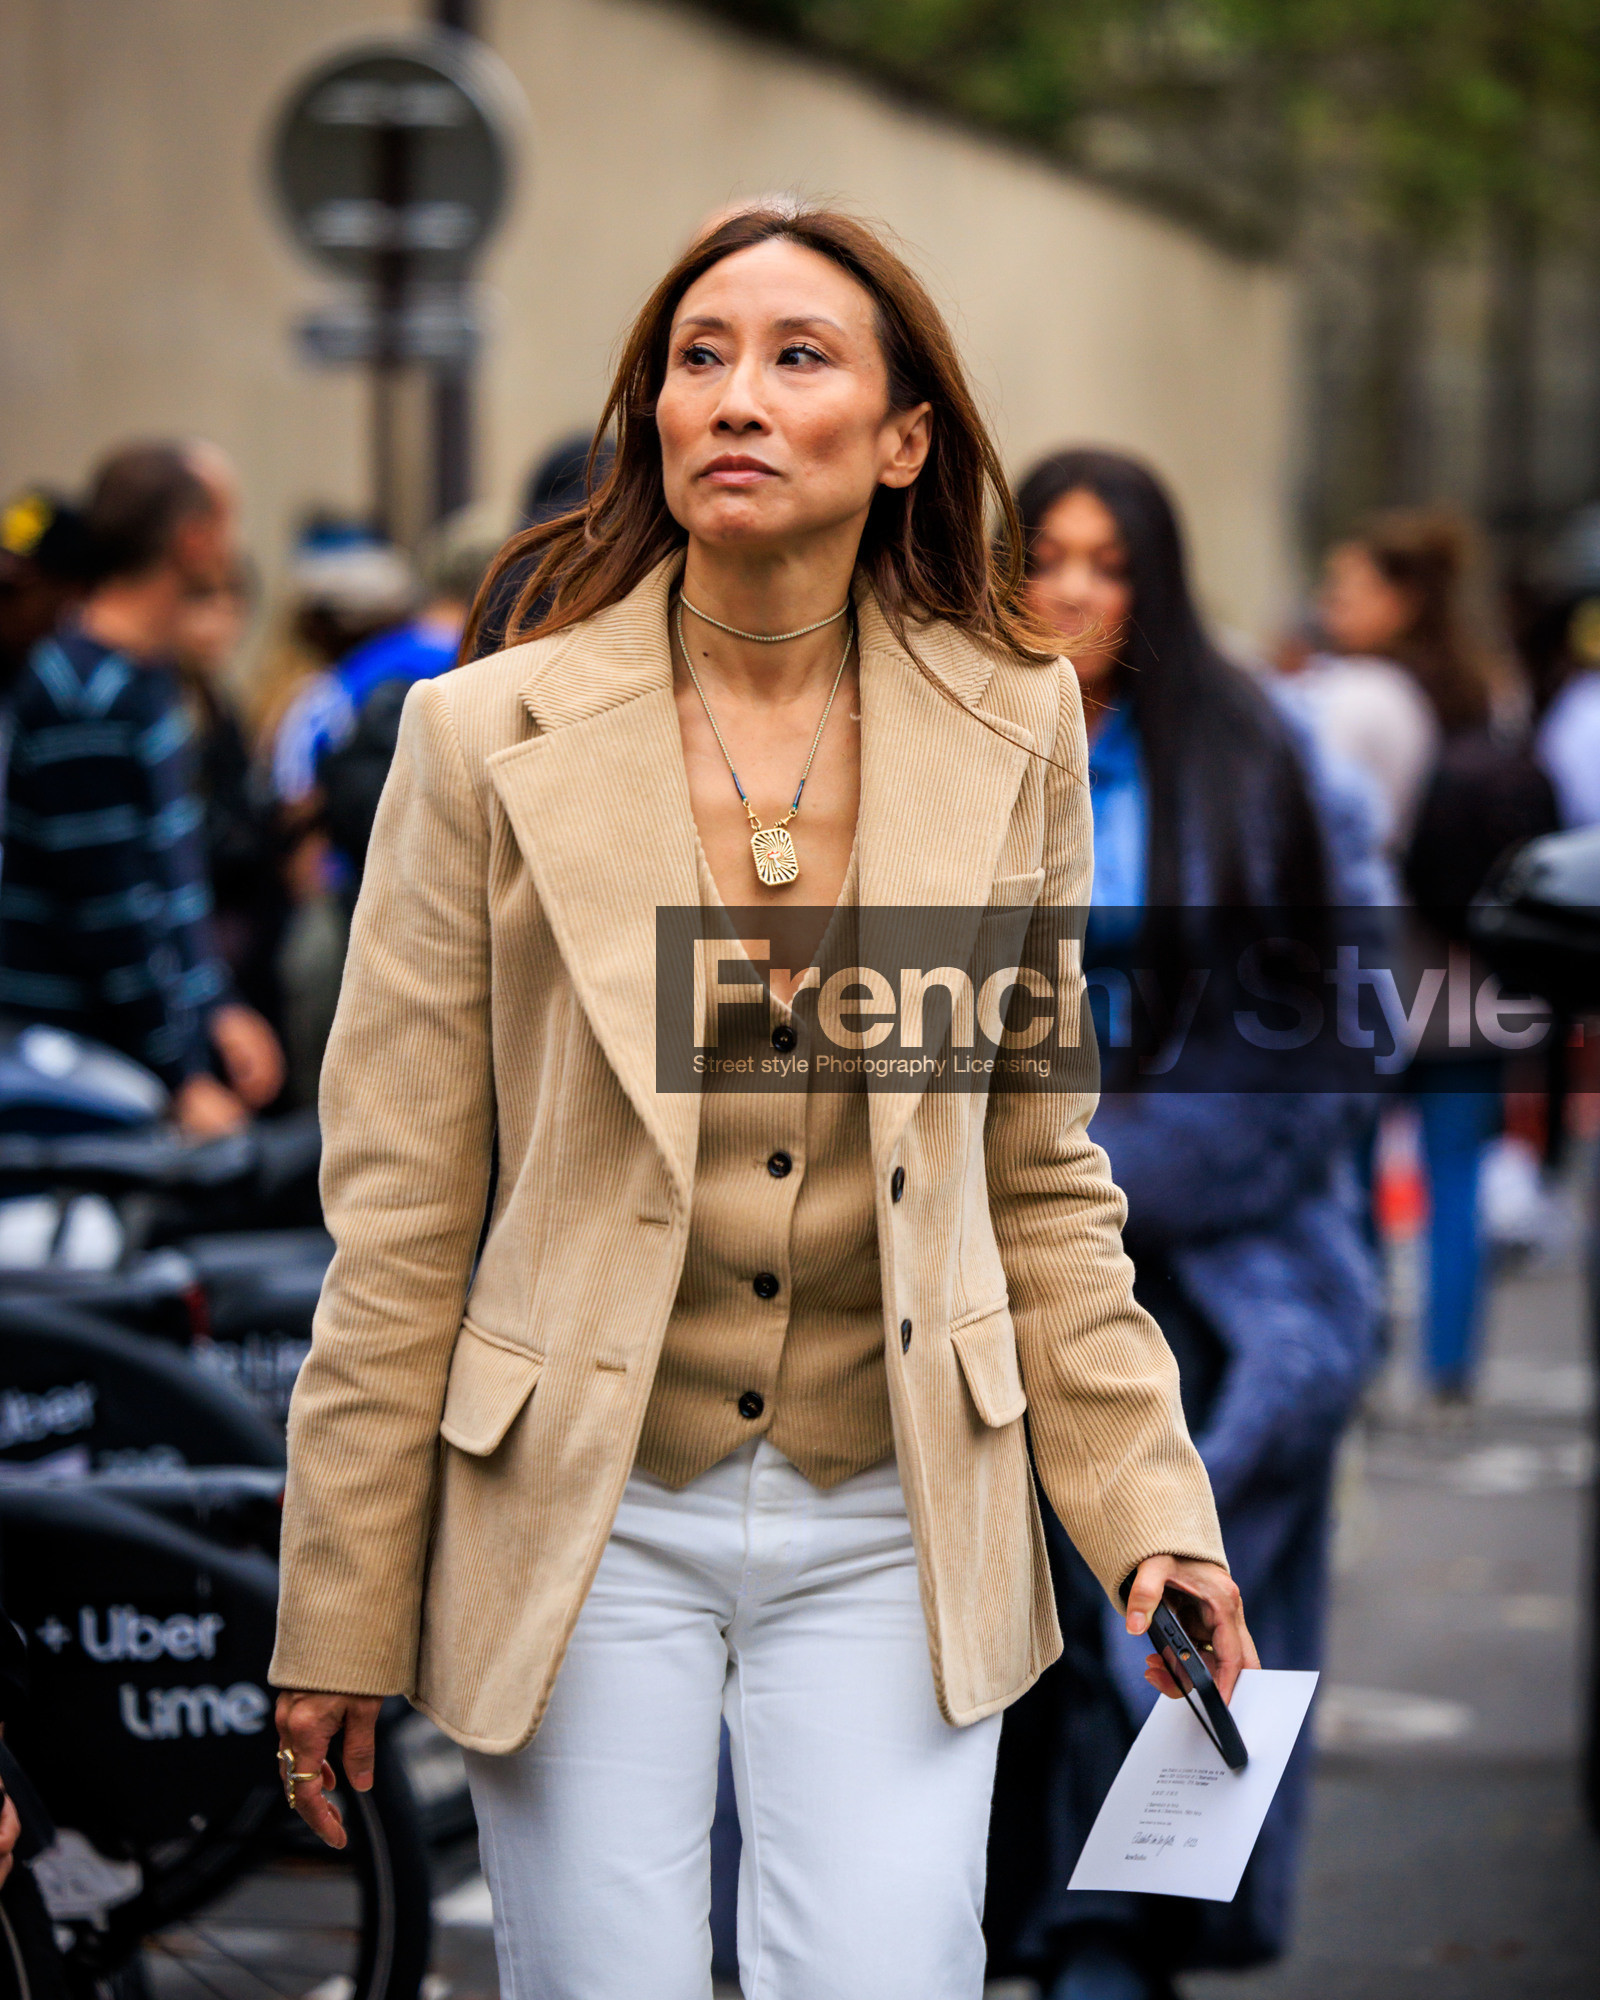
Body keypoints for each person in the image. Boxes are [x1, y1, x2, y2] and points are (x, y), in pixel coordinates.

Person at [270, 204, 1253, 2000]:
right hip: (582, 1504)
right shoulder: (481, 736)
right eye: (697, 356)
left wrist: (1149, 1509)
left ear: (900, 442)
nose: (733, 394)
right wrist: (335, 1603)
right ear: (650, 414)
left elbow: (1039, 1176)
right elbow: (402, 1210)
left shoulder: (1016, 719)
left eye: (798, 358)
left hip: (895, 1500)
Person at [985, 450, 1382, 1998]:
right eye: (1047, 556)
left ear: (1156, 581)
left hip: (1223, 1264)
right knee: (999, 1632)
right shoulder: (948, 742)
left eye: (1109, 560)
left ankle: (1122, 1931)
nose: (1075, 588)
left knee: (1160, 1613)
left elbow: (1334, 1039)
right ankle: (1022, 1916)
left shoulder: (1265, 757)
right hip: (997, 1253)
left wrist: (1115, 1171)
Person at [0, 442, 283, 1135]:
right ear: (192, 540)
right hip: (72, 1080)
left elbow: (167, 883)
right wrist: (181, 1075)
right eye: (227, 522)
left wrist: (215, 1007)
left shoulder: (141, 679)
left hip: (119, 1064)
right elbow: (110, 914)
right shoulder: (84, 694)